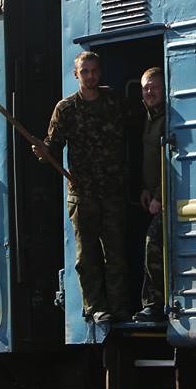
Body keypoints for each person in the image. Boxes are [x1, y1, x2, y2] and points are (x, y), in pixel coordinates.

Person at [33, 51, 131, 323]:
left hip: (112, 191)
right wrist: (43, 152)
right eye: (85, 71)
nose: (90, 76)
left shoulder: (113, 101)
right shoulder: (66, 109)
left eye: (94, 71)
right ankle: (95, 307)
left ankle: (120, 307)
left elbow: (131, 132)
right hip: (82, 194)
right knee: (87, 256)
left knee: (116, 254)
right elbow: (53, 146)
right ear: (76, 74)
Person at [134, 67, 167, 322]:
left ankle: (155, 304)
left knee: (152, 243)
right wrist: (145, 189)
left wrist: (159, 195)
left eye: (154, 87)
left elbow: (169, 159)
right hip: (154, 194)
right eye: (146, 88)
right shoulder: (148, 117)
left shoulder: (167, 118)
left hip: (167, 195)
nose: (149, 92)